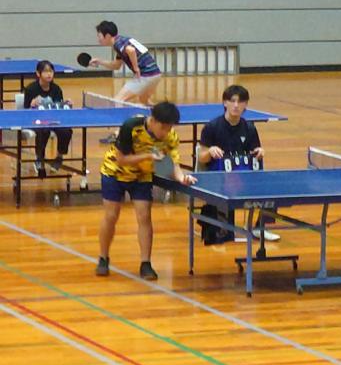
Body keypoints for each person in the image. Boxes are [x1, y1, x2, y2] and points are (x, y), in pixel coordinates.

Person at [96, 102, 196, 280]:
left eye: (170, 128)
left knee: (144, 217)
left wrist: (182, 178)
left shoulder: (170, 136)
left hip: (142, 175)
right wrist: (148, 156)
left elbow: (173, 163)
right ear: (153, 121)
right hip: (114, 172)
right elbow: (121, 159)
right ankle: (103, 258)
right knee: (111, 216)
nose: (166, 132)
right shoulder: (131, 127)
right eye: (163, 127)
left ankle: (146, 263)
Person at [197, 84, 280, 242]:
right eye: (232, 101)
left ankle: (260, 227)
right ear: (225, 103)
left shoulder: (249, 128)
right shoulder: (212, 127)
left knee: (272, 188)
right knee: (223, 237)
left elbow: (254, 152)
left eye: (240, 102)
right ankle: (223, 228)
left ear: (245, 105)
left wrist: (260, 152)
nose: (236, 105)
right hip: (219, 179)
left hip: (243, 177)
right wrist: (210, 151)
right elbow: (201, 158)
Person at [90, 21, 161, 105]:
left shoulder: (118, 43)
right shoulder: (122, 41)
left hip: (146, 75)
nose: (98, 39)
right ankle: (159, 113)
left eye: (99, 36)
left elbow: (131, 50)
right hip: (156, 74)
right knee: (144, 101)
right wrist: (99, 61)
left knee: (117, 101)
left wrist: (136, 68)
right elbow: (116, 66)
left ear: (108, 36)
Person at [23, 60, 73, 177]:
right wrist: (31, 104)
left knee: (66, 131)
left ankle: (59, 157)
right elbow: (25, 111)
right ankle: (39, 159)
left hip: (53, 120)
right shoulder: (31, 89)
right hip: (35, 121)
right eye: (45, 71)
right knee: (43, 131)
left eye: (51, 71)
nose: (49, 74)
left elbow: (59, 108)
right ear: (38, 73)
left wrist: (67, 104)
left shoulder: (56, 89)